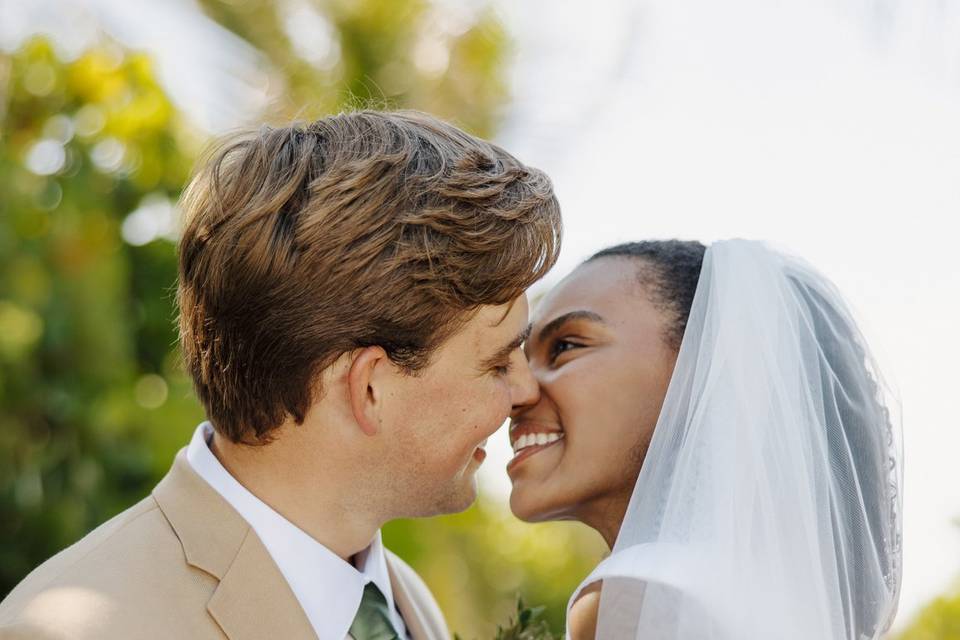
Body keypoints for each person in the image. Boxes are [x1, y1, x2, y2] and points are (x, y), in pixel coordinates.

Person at [0, 110, 562, 640]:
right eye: (496, 361)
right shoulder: (82, 628)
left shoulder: (402, 601)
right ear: (369, 387)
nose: (526, 389)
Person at [509, 239, 902, 639]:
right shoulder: (758, 600)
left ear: (700, 374)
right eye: (516, 363)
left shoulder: (646, 596)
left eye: (566, 346)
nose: (516, 392)